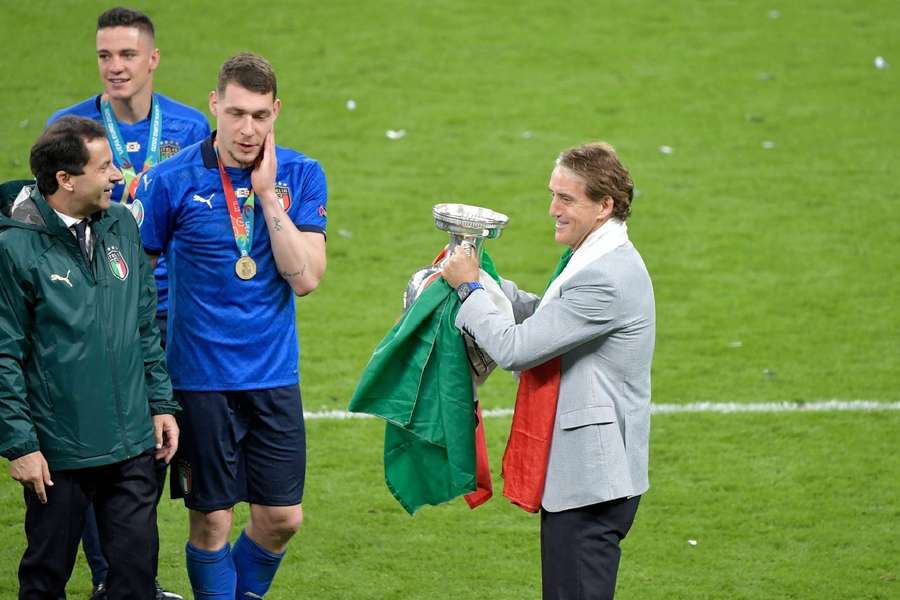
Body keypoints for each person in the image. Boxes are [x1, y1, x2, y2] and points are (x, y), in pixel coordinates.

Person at [136, 52, 327, 599]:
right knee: (212, 523)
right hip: (199, 381)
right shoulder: (169, 182)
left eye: (261, 116)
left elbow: (306, 278)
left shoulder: (300, 174)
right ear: (214, 105)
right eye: (237, 113)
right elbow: (134, 287)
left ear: (276, 112)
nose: (248, 129)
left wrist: (267, 195)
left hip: (272, 375)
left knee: (282, 519)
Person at [442, 142, 655, 600]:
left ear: (604, 206)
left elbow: (517, 349)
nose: (552, 209)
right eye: (552, 194)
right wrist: (488, 283)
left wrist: (468, 291)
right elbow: (550, 317)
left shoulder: (607, 276)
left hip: (592, 484)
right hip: (587, 476)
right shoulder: (598, 254)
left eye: (566, 199)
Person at [47, 8, 209, 598]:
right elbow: (51, 218)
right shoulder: (69, 126)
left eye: (126, 55)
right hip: (99, 312)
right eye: (104, 56)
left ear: (153, 60)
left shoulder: (191, 129)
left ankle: (127, 576)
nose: (115, 67)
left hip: (172, 311)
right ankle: (110, 579)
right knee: (102, 449)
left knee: (155, 450)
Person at [0, 116, 180, 600]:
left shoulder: (121, 224)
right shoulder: (14, 248)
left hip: (132, 444)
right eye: (104, 168)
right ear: (66, 179)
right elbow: (3, 354)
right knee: (44, 579)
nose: (117, 176)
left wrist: (161, 403)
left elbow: (144, 325)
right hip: (60, 452)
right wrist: (20, 444)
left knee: (136, 581)